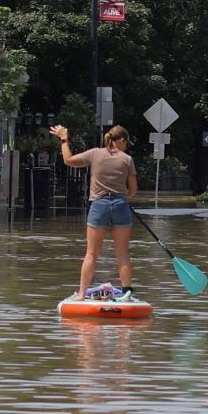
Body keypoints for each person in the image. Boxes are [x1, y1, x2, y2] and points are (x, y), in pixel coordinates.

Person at [50, 124, 138, 300]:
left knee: (91, 253)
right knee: (122, 253)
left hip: (99, 205)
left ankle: (82, 294)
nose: (126, 147)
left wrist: (64, 139)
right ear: (121, 140)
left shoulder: (94, 154)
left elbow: (68, 160)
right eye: (126, 143)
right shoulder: (127, 160)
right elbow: (133, 190)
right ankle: (127, 295)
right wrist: (122, 197)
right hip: (120, 205)